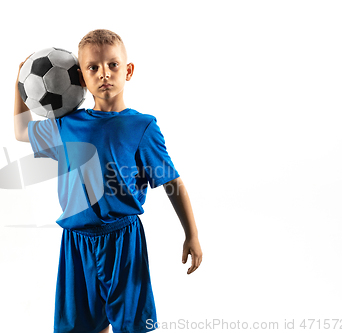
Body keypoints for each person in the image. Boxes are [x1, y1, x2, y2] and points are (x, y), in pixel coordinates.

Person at [14, 29, 202, 333]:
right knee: (84, 326)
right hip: (76, 243)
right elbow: (21, 132)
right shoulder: (66, 126)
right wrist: (19, 84)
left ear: (128, 71)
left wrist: (191, 234)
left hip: (123, 241)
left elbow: (172, 182)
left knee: (131, 326)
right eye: (93, 67)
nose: (104, 74)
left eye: (113, 65)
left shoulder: (142, 127)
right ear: (80, 77)